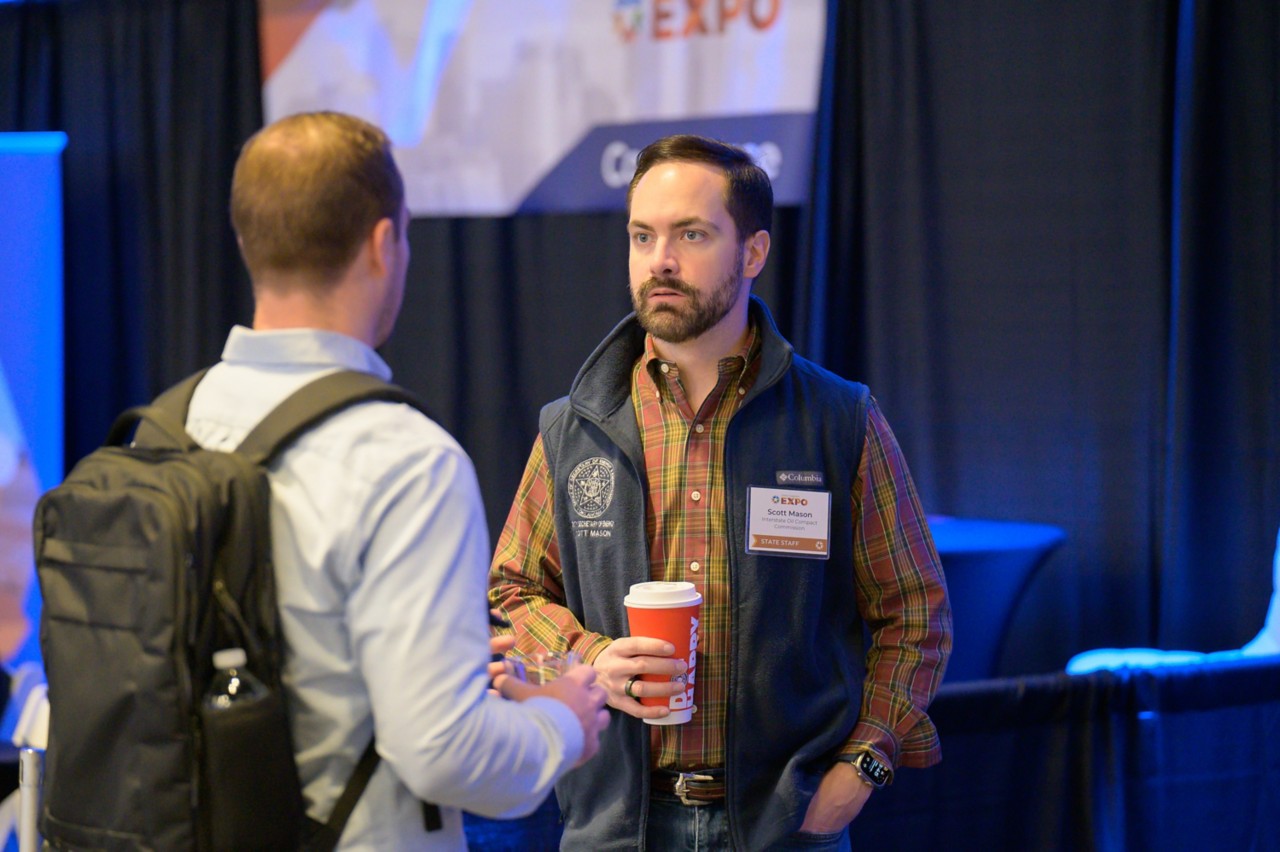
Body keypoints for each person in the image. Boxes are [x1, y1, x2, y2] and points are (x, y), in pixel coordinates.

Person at [489, 134, 953, 850]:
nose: (660, 261)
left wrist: (862, 766)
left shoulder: (837, 418)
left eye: (692, 234)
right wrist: (585, 658)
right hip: (617, 825)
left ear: (754, 253)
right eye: (643, 236)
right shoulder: (573, 427)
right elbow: (513, 591)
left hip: (787, 826)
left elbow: (915, 612)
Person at [185, 111, 609, 850]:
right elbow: (444, 753)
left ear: (249, 242)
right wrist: (562, 722)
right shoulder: (408, 461)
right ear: (386, 244)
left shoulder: (171, 424)